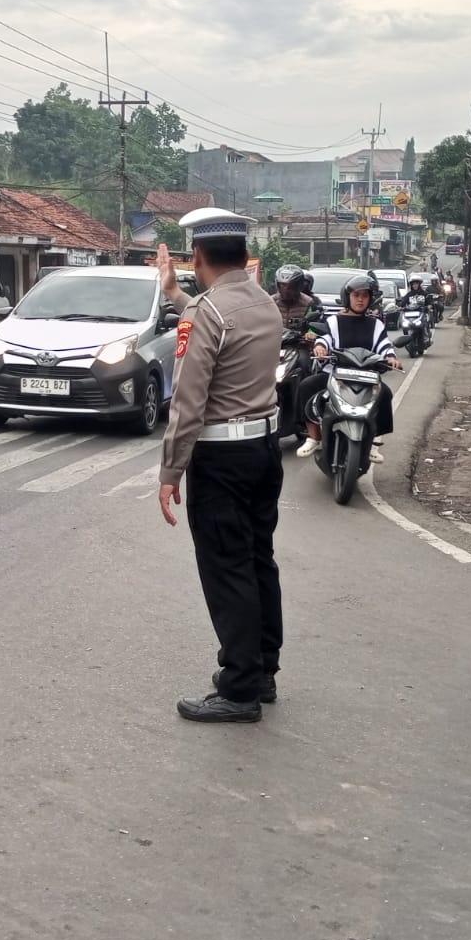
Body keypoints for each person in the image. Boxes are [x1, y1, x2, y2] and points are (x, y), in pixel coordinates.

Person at [157, 207, 285, 724]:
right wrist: (175, 295)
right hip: (262, 452)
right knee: (257, 561)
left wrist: (170, 473)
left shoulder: (205, 314)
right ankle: (262, 671)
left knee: (226, 568)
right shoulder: (265, 304)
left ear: (198, 256)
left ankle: (239, 690)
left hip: (221, 459)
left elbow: (187, 403)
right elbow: (215, 320)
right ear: (244, 254)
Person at [294, 273, 401, 462]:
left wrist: (391, 357)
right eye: (356, 295)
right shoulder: (334, 321)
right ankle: (313, 437)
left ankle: (374, 442)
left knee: (386, 394)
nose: (360, 299)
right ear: (348, 297)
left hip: (366, 375)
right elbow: (325, 338)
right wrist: (320, 347)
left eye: (365, 296)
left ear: (370, 299)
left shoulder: (375, 324)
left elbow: (384, 344)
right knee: (306, 386)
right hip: (334, 373)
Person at [273, 264, 323, 344]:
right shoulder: (270, 302)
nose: (286, 290)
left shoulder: (309, 303)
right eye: (283, 285)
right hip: (273, 345)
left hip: (298, 347)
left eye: (291, 286)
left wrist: (311, 333)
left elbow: (315, 325)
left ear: (298, 286)